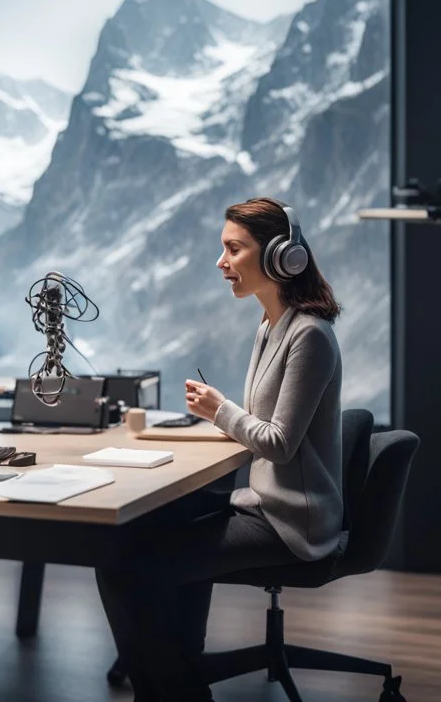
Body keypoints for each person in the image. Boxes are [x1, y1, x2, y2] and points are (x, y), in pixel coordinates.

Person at [96, 197, 344, 702]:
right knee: (131, 544)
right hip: (263, 504)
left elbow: (278, 443)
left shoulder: (310, 336)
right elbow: (262, 425)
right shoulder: (270, 326)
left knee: (128, 570)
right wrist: (217, 416)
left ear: (281, 257)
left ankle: (174, 690)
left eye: (233, 249)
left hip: (293, 522)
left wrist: (219, 410)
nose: (221, 261)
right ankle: (178, 680)